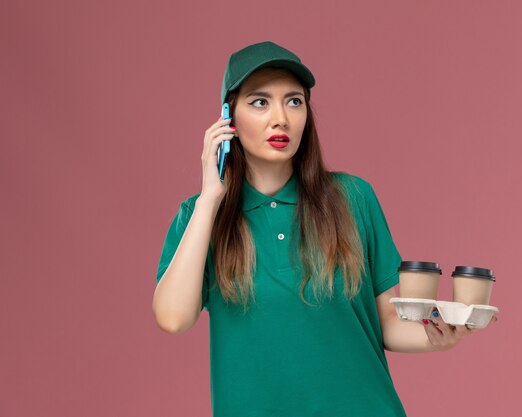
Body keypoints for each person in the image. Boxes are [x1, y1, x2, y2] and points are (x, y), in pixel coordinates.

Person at [152, 41, 489, 417]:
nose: (280, 118)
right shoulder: (200, 218)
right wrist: (210, 198)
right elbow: (173, 318)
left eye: (294, 101)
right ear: (228, 117)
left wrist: (440, 338)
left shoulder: (353, 198)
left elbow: (384, 325)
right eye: (260, 102)